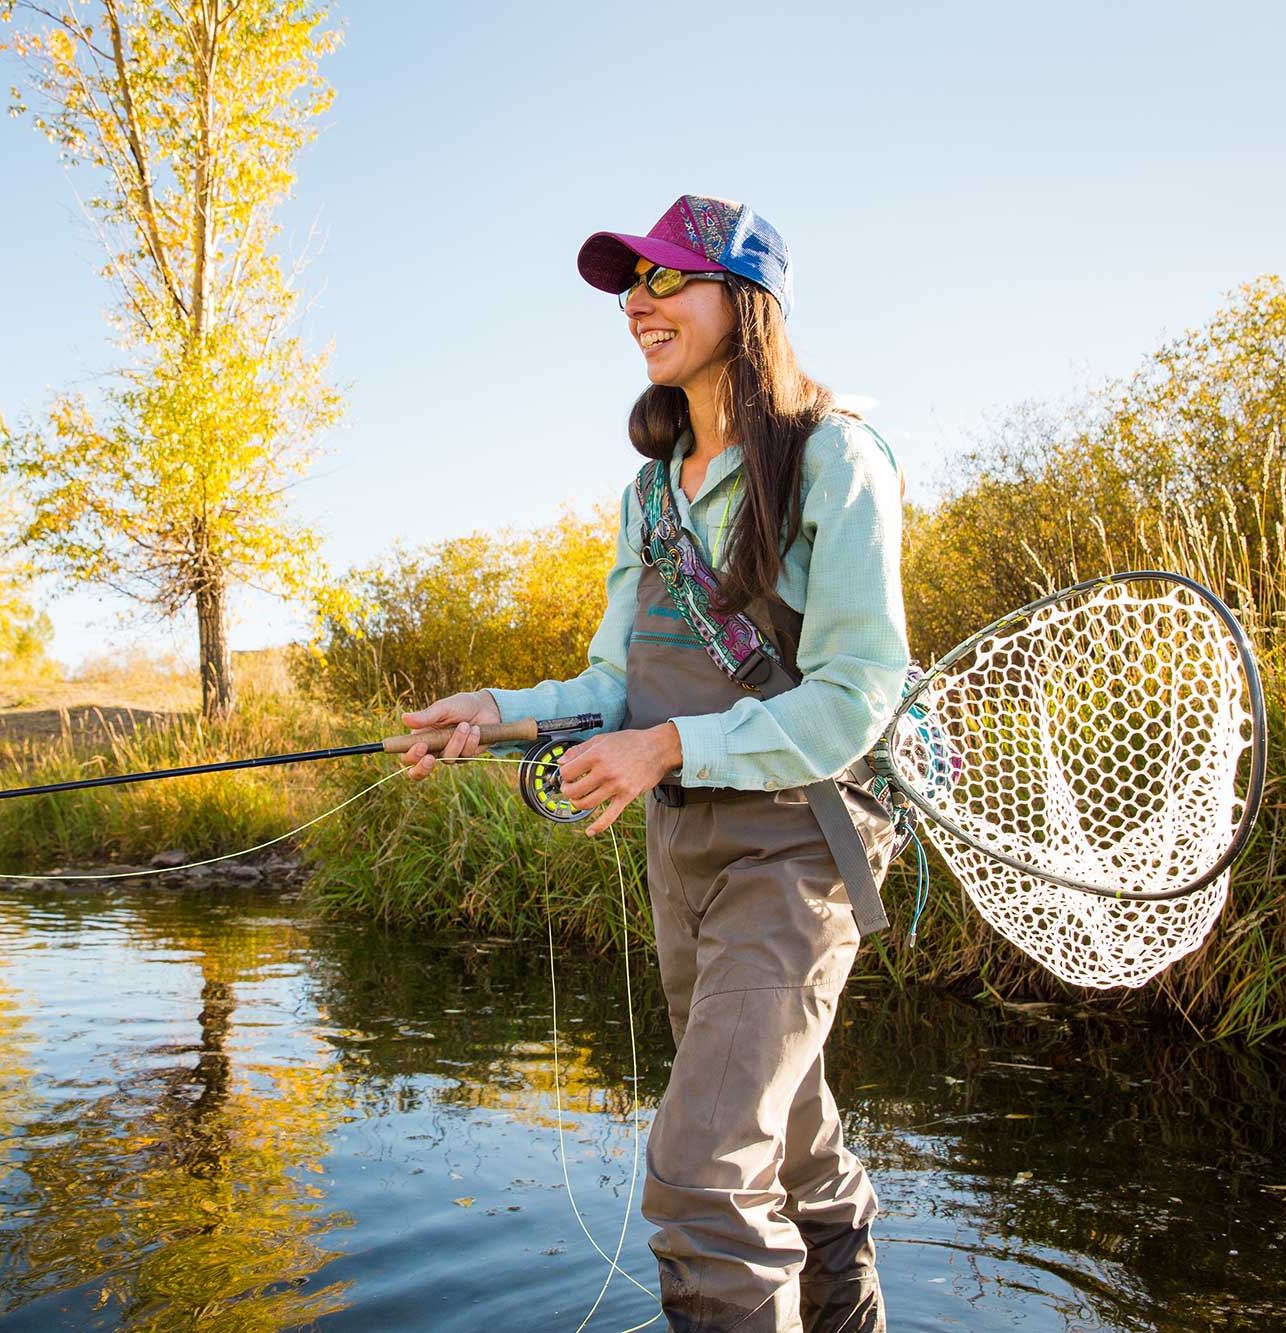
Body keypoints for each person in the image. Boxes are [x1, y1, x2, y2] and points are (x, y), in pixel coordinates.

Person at [399, 195, 909, 1332]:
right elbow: (608, 689)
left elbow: (856, 694)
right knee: (783, 1131)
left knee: (701, 1179)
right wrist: (494, 712)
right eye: (628, 283)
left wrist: (669, 743)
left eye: (666, 278)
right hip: (683, 846)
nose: (637, 301)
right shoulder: (647, 492)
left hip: (798, 845)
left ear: (745, 301)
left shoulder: (835, 457)